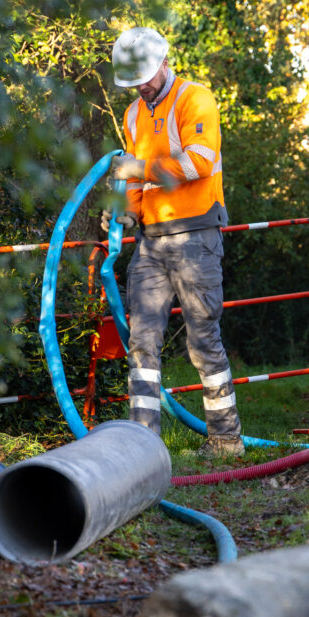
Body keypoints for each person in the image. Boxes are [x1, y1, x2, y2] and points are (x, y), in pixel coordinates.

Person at [103, 27, 244, 459]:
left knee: (203, 338)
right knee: (142, 341)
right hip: (151, 241)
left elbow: (200, 161)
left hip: (195, 237)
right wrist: (125, 210)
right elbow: (131, 177)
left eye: (145, 76)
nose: (142, 86)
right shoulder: (132, 115)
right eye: (134, 81)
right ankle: (142, 444)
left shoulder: (195, 99)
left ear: (166, 62)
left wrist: (140, 168)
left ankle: (225, 439)